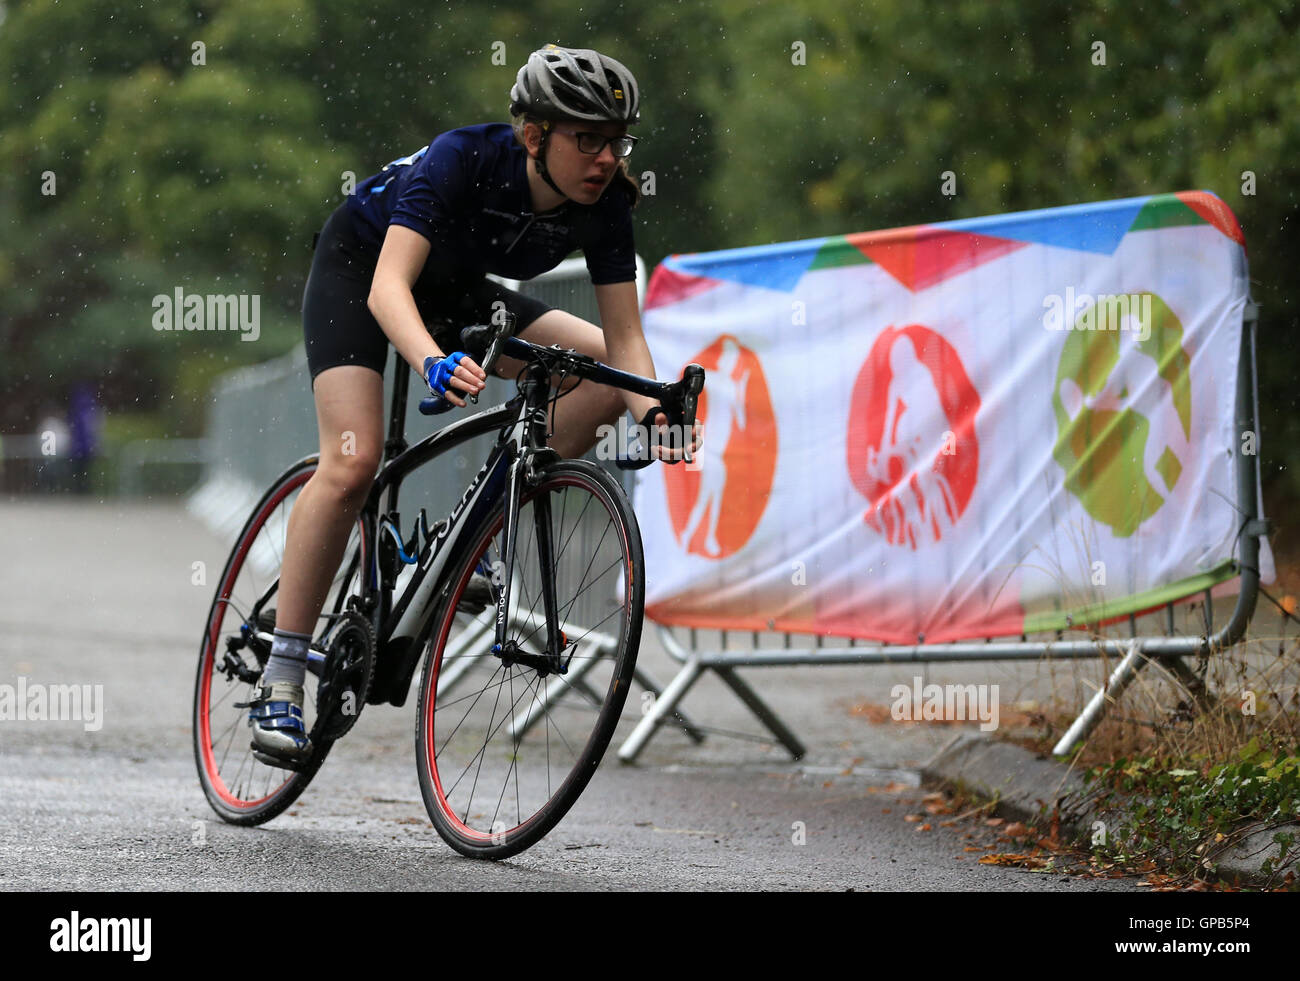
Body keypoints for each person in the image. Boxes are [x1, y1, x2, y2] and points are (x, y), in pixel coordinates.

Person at [246, 44, 698, 769]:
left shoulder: (607, 200)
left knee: (609, 375)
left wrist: (656, 417)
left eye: (617, 140)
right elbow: (390, 287)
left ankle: (476, 528)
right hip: (365, 272)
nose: (607, 157)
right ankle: (283, 675)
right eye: (587, 138)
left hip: (457, 292)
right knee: (354, 461)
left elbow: (626, 338)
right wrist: (431, 359)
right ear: (533, 136)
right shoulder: (462, 159)